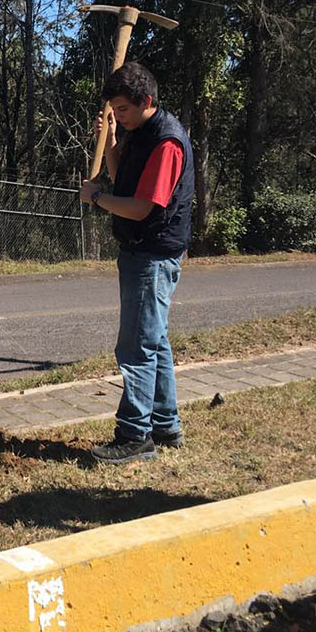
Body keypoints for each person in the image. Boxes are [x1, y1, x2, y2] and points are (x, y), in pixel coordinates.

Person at [80, 62, 194, 465]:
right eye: (114, 111)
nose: (119, 117)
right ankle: (166, 424)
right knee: (155, 341)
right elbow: (122, 179)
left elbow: (143, 207)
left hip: (153, 254)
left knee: (136, 346)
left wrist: (95, 199)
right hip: (139, 251)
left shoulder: (166, 143)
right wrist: (111, 141)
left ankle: (135, 435)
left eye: (123, 111)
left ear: (147, 101)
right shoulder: (139, 133)